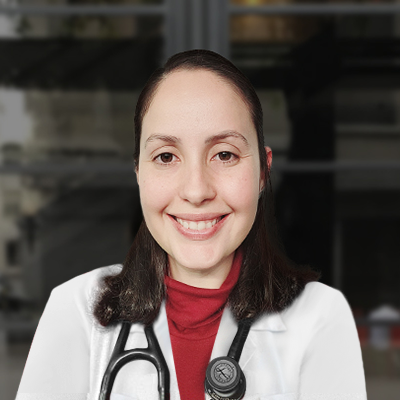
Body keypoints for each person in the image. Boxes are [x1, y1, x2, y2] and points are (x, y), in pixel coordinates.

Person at [16, 49, 367, 400]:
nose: (196, 191)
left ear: (263, 171)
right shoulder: (75, 311)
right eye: (166, 156)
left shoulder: (320, 317)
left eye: (225, 154)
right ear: (139, 173)